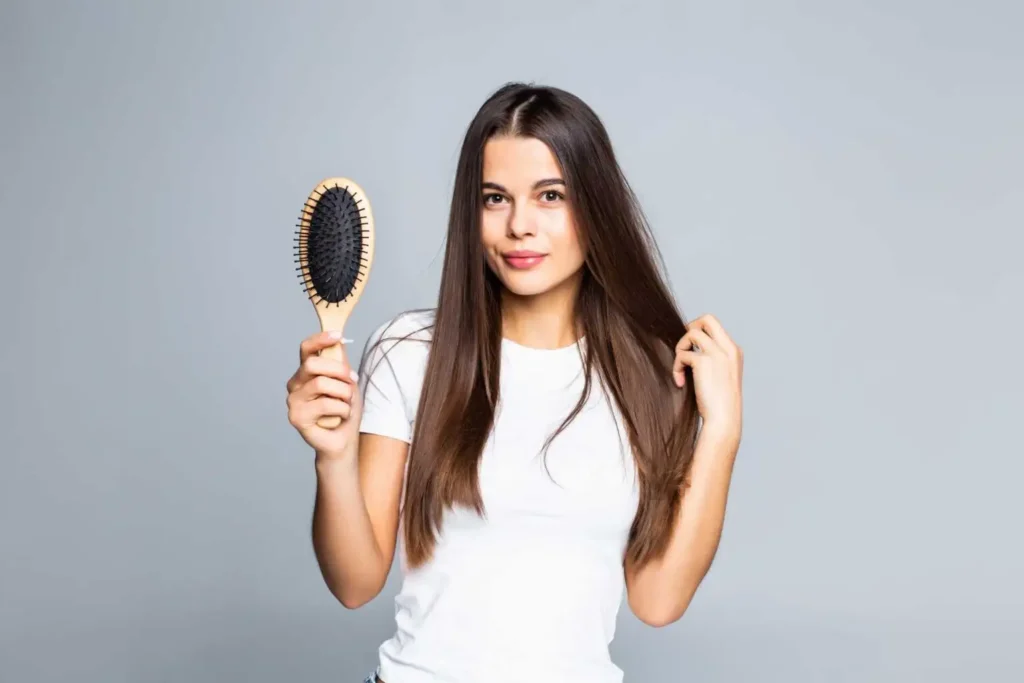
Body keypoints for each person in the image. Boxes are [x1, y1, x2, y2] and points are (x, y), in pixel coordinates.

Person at [285, 82, 744, 683]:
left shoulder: (652, 373)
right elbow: (354, 583)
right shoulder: (409, 352)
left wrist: (723, 431)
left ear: (596, 206)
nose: (519, 225)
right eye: (494, 198)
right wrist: (334, 460)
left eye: (550, 195)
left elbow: (658, 601)